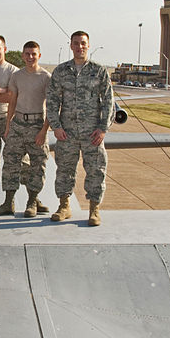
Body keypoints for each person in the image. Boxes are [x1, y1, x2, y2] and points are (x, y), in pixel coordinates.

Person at [46, 30, 114, 226]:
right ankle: (64, 206)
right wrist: (56, 126)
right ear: (71, 46)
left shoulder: (99, 71)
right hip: (67, 132)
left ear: (88, 45)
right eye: (76, 43)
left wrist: (103, 128)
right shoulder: (60, 72)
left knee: (95, 170)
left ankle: (94, 209)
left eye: (83, 43)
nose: (79, 47)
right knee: (64, 170)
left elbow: (109, 101)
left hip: (92, 132)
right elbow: (52, 100)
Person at [0, 35, 49, 212]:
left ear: (5, 49)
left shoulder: (15, 72)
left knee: (24, 163)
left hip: (16, 121)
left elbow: (12, 98)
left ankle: (33, 199)